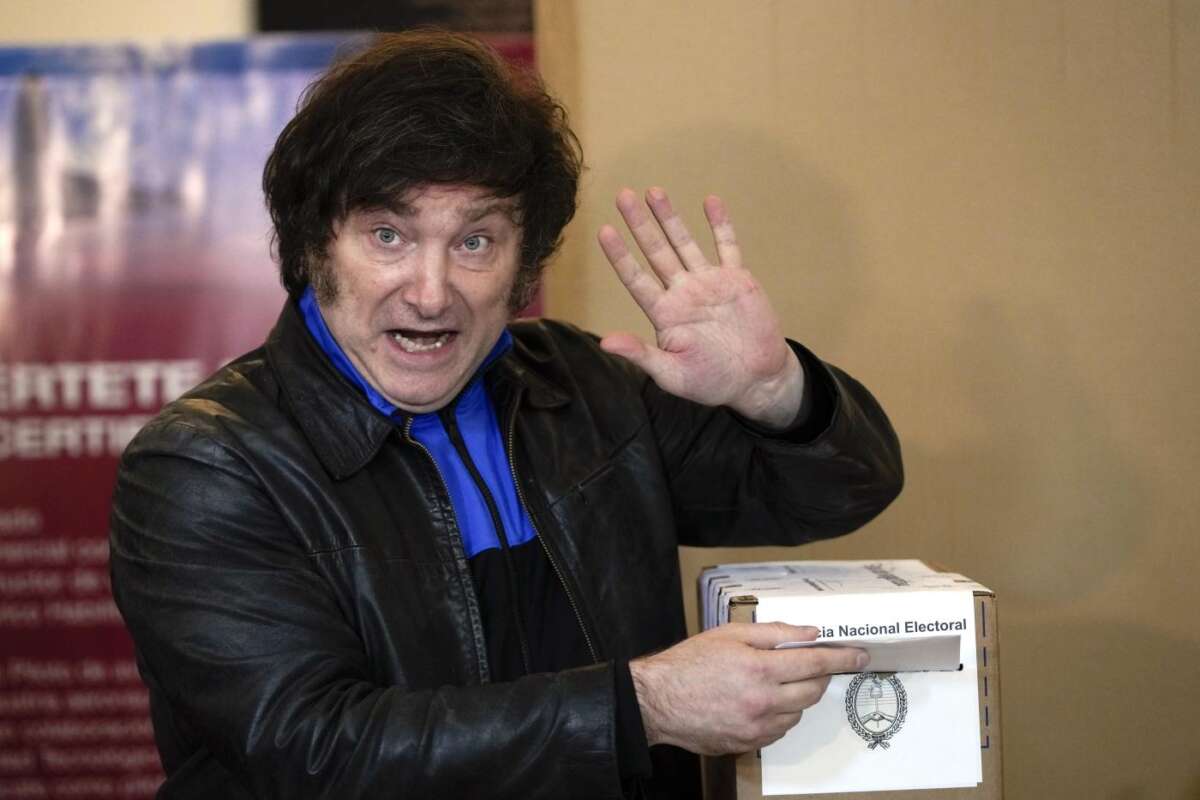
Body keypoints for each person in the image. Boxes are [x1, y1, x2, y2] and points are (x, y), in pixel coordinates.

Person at [109, 30, 902, 800]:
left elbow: (841, 495)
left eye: (475, 242)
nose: (430, 292)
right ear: (316, 245)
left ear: (524, 263)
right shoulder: (203, 464)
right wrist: (646, 705)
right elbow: (313, 753)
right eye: (388, 235)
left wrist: (771, 387)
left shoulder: (589, 386)